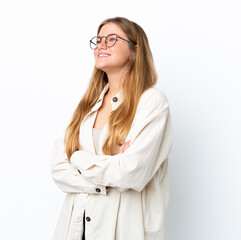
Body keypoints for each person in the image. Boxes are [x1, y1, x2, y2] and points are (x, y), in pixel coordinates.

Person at [50, 16, 173, 240]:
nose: (101, 45)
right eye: (98, 40)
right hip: (77, 227)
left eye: (112, 39)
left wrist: (79, 160)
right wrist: (111, 165)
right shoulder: (88, 104)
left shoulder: (152, 102)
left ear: (135, 51)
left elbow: (131, 173)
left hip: (124, 230)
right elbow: (59, 169)